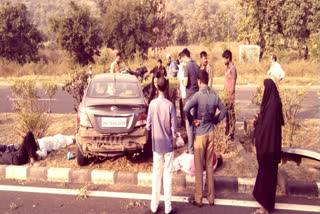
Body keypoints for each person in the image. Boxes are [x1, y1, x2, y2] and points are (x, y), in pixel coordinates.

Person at [184, 70, 227, 207]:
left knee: (199, 166)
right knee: (209, 165)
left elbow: (185, 109)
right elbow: (224, 111)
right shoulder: (214, 95)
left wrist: (192, 120)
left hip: (200, 134)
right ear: (207, 81)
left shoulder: (197, 96)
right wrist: (215, 120)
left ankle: (198, 198)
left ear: (199, 81)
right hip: (210, 133)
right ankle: (211, 198)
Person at [251, 79, 284, 214]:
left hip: (268, 148)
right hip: (272, 146)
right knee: (268, 175)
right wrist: (259, 119)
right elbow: (267, 122)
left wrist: (257, 124)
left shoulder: (272, 106)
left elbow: (265, 129)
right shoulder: (273, 103)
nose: (262, 90)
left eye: (263, 88)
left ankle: (265, 208)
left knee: (267, 175)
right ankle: (268, 205)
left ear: (269, 89)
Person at [146, 77, 177, 214]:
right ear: (167, 88)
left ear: (157, 88)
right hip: (168, 145)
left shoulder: (152, 104)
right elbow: (174, 129)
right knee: (168, 175)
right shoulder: (170, 105)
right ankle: (168, 207)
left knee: (156, 175)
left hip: (156, 145)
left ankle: (154, 206)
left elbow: (148, 125)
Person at [181, 48, 199, 154]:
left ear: (184, 57)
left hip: (190, 98)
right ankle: (196, 148)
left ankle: (191, 150)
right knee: (195, 123)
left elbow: (185, 83)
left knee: (189, 125)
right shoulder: (197, 65)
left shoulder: (187, 67)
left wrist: (183, 80)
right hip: (197, 97)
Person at [222, 50, 237, 142]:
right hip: (226, 95)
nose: (223, 60)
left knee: (231, 115)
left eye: (224, 59)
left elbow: (233, 84)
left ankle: (231, 135)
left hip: (230, 96)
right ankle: (227, 133)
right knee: (227, 115)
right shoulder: (227, 68)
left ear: (228, 59)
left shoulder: (233, 69)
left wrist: (230, 97)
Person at [177, 53, 186, 127]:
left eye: (181, 59)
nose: (180, 60)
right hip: (180, 91)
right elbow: (179, 81)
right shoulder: (180, 68)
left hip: (184, 93)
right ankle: (183, 122)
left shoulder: (185, 68)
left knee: (185, 108)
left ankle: (186, 123)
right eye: (179, 59)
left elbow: (184, 83)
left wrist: (183, 94)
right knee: (181, 108)